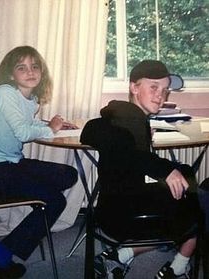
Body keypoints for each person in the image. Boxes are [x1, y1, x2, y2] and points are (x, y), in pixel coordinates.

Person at [80, 60, 206, 279]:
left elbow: (99, 133)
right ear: (134, 87)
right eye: (154, 87)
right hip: (125, 214)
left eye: (165, 90)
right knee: (203, 204)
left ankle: (124, 256)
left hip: (116, 204)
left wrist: (166, 168)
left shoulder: (124, 113)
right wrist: (163, 168)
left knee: (187, 174)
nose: (161, 95)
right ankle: (178, 267)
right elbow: (122, 148)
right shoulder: (130, 117)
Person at [0, 46, 78, 279]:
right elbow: (23, 133)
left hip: (13, 163)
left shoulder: (30, 99)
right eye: (21, 67)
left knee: (68, 174)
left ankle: (3, 194)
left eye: (35, 66)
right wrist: (50, 128)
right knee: (55, 201)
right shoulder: (5, 92)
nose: (30, 71)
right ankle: (4, 253)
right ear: (11, 74)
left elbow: (23, 124)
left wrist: (51, 125)